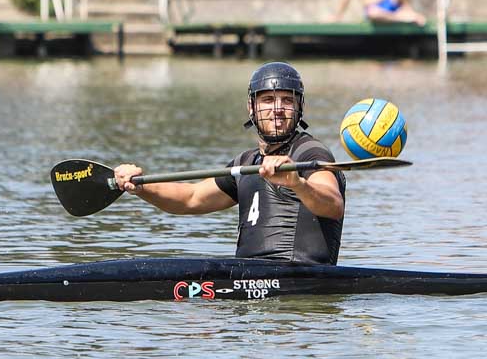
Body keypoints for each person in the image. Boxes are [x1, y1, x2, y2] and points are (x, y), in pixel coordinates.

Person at [112, 62, 348, 264]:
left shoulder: (310, 151)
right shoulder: (246, 161)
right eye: (267, 100)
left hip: (303, 278)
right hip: (248, 283)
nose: (277, 109)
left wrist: (297, 183)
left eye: (287, 100)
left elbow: (333, 204)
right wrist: (141, 186)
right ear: (251, 108)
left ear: (299, 107)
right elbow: (191, 198)